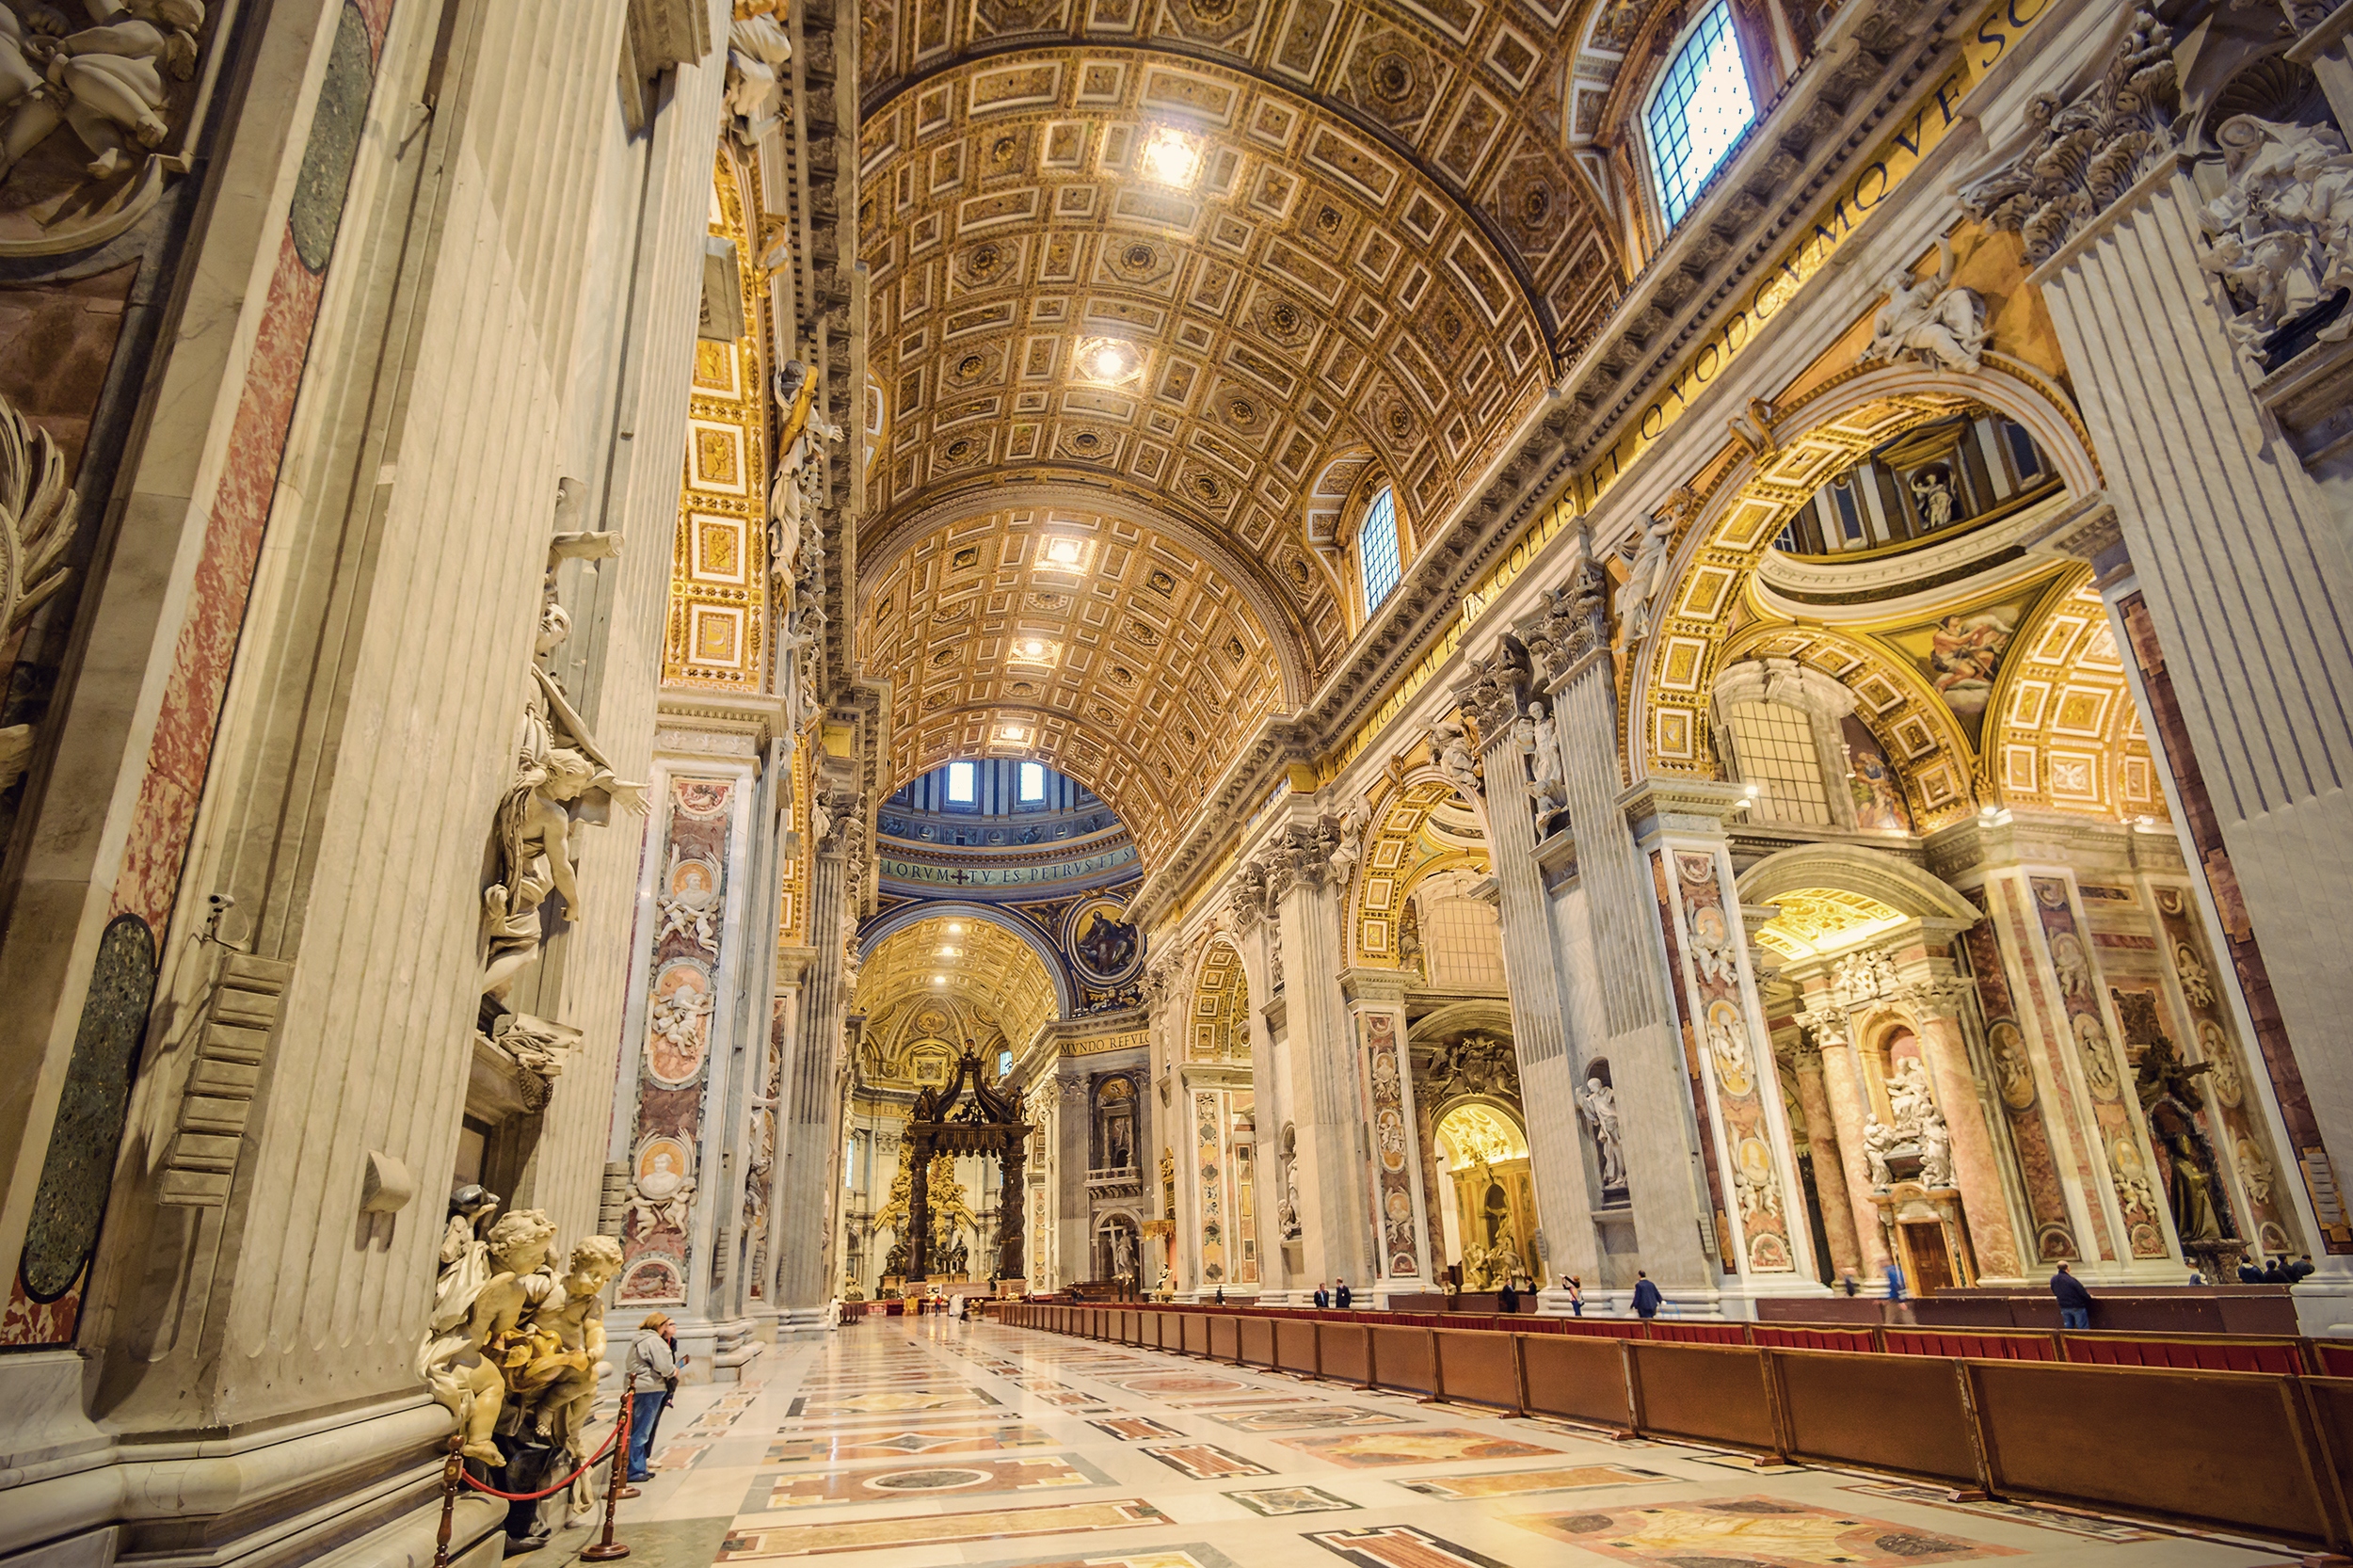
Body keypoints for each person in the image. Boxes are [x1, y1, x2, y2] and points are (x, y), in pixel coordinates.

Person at [622, 1313, 677, 1483]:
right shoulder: (654, 1341)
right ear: (659, 1325)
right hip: (650, 1387)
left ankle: (635, 1466)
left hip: (638, 1387)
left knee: (637, 1427)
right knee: (642, 1430)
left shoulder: (639, 1339)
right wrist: (673, 1371)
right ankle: (635, 1470)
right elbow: (665, 1367)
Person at [2050, 1261, 2093, 1331]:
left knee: (2068, 1328)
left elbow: (2053, 1290)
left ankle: (2069, 1341)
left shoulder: (2054, 1279)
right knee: (2082, 1328)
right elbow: (2081, 1291)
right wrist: (2088, 1297)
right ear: (2067, 1268)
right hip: (2076, 1306)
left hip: (2063, 1306)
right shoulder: (2070, 1280)